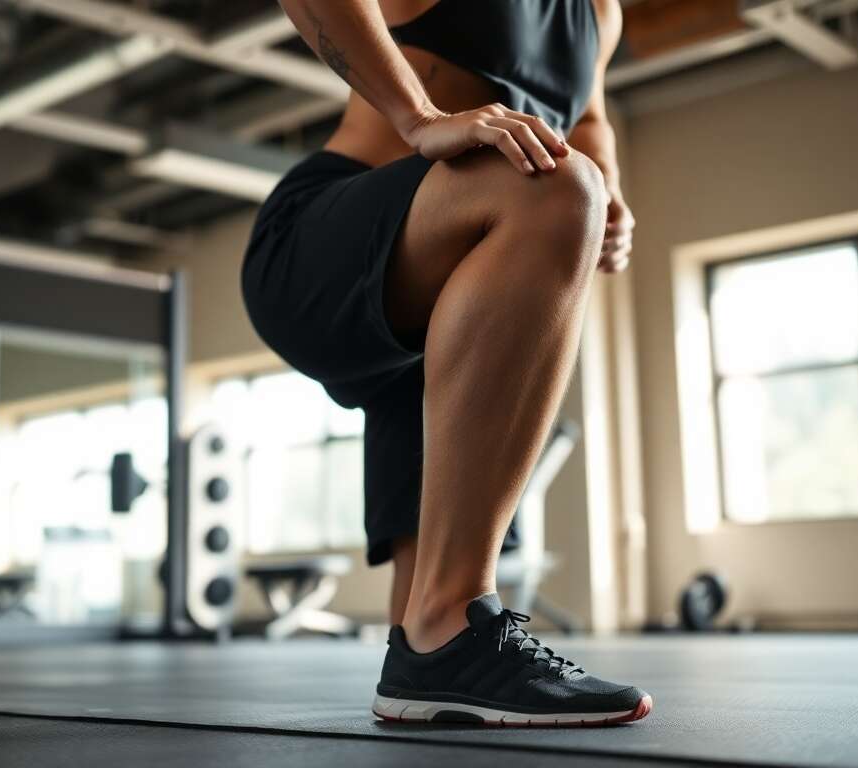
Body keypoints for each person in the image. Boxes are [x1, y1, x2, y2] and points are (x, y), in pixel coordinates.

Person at [241, 0, 651, 725]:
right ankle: (450, 627)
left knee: (428, 647)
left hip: (443, 303)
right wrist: (420, 118)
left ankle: (433, 667)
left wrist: (612, 190)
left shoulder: (600, 12)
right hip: (327, 240)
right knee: (558, 189)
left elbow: (586, 116)